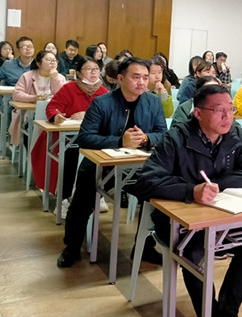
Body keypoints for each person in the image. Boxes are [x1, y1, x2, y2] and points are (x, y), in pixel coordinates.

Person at [132, 84, 242, 317]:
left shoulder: (235, 134)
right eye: (219, 110)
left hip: (221, 215)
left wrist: (213, 186)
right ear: (198, 113)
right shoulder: (176, 137)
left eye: (230, 109)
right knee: (193, 252)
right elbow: (145, 181)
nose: (227, 117)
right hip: (178, 221)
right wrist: (191, 191)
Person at [56, 57, 168, 268]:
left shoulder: (153, 102)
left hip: (138, 167)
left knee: (160, 196)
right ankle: (71, 246)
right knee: (81, 202)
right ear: (120, 78)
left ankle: (144, 247)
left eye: (145, 78)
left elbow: (163, 134)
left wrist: (146, 138)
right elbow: (85, 138)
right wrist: (119, 142)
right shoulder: (102, 103)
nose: (142, 82)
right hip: (101, 165)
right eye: (136, 77)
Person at [31, 57, 108, 202]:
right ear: (79, 73)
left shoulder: (104, 92)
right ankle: (64, 198)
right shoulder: (69, 88)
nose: (93, 72)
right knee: (71, 153)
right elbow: (53, 107)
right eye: (88, 69)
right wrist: (56, 116)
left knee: (103, 154)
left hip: (93, 137)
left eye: (96, 69)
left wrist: (88, 116)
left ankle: (96, 197)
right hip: (66, 137)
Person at [10, 50, 66, 146]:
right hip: (30, 115)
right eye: (48, 60)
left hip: (53, 115)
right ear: (38, 63)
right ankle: (32, 153)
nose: (52, 63)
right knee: (32, 129)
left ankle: (49, 154)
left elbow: (63, 97)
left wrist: (55, 78)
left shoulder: (60, 78)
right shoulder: (27, 76)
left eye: (54, 60)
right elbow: (16, 94)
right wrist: (33, 98)